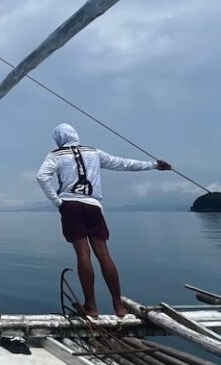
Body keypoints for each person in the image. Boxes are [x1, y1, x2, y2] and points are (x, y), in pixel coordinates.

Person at [36, 124, 171, 318]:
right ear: (75, 135)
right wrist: (154, 165)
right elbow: (123, 163)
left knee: (83, 254)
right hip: (93, 206)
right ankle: (119, 307)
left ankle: (91, 307)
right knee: (103, 254)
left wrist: (57, 202)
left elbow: (41, 177)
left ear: (59, 138)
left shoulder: (55, 155)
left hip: (70, 206)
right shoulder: (94, 152)